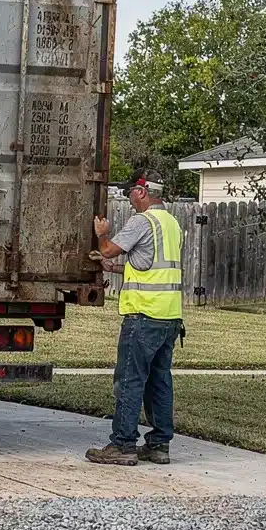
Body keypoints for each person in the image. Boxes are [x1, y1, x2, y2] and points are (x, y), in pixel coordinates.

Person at [86, 174, 183, 465]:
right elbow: (148, 265)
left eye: (131, 192)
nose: (129, 197)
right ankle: (159, 445)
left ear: (142, 192)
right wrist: (112, 268)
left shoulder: (142, 222)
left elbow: (108, 247)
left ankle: (123, 444)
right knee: (160, 381)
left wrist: (103, 233)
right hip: (169, 316)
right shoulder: (171, 223)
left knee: (130, 380)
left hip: (144, 315)